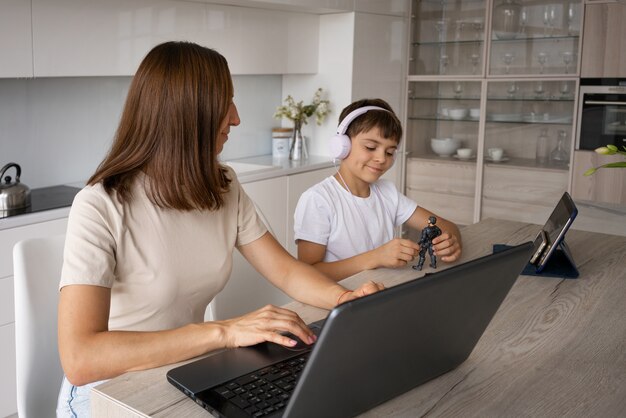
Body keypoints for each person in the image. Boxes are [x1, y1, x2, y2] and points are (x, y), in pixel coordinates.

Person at [56, 41, 383, 417]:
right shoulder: (100, 205)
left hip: (180, 370)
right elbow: (81, 358)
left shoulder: (221, 184)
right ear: (185, 115)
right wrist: (224, 332)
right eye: (225, 103)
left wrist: (345, 302)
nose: (236, 117)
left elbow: (286, 271)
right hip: (107, 392)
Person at [294, 98, 462, 281]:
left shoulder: (387, 192)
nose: (382, 158)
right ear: (341, 145)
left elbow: (447, 226)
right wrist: (375, 257)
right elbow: (306, 273)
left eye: (390, 152)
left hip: (380, 293)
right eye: (371, 147)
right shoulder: (318, 199)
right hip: (340, 300)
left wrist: (451, 242)